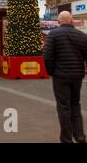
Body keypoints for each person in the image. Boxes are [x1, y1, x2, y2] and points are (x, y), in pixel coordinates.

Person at [44, 11, 87, 143]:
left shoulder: (53, 35)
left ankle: (66, 139)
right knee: (75, 104)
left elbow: (47, 56)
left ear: (59, 21)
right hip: (77, 76)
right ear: (71, 20)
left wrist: (52, 71)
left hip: (60, 76)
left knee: (63, 107)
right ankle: (79, 135)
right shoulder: (81, 35)